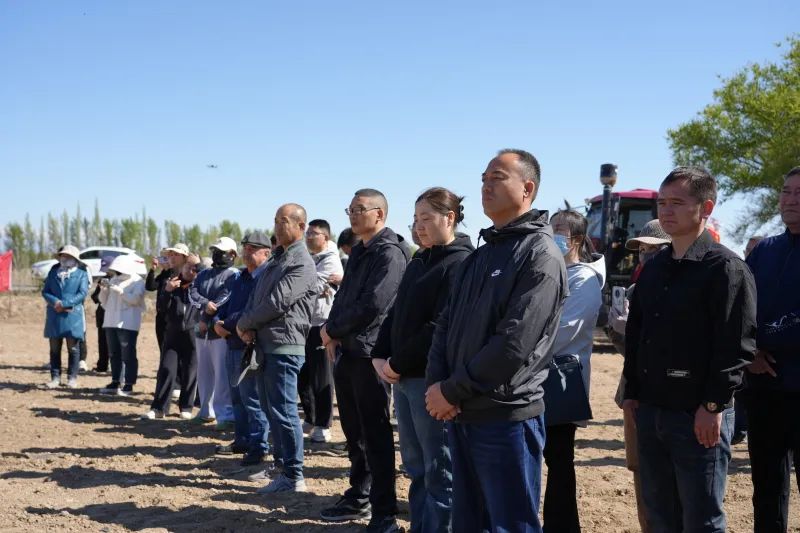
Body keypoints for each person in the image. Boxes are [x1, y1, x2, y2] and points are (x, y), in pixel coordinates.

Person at [425, 149, 567, 533]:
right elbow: (445, 325)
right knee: (469, 522)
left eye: (498, 178)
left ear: (528, 188)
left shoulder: (540, 255)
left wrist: (451, 391)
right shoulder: (481, 255)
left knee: (510, 524)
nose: (486, 186)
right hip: (462, 411)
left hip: (505, 417)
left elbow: (513, 344)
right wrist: (438, 386)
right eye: (484, 179)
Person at [622, 166, 757, 533]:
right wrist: (632, 392)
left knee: (701, 519)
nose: (666, 211)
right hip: (651, 410)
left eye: (677, 203)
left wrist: (713, 406)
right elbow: (637, 334)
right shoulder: (654, 268)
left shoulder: (725, 268)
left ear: (706, 207)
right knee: (659, 516)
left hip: (697, 416)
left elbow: (735, 346)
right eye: (662, 203)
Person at [373, 187, 474, 533]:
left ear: (450, 218)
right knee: (416, 467)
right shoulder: (419, 260)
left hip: (430, 380)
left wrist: (396, 363)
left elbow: (438, 326)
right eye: (415, 219)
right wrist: (379, 354)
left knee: (439, 470)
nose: (419, 226)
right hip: (403, 379)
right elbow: (396, 311)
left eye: (426, 218)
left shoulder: (460, 262)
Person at [319, 188, 409, 532]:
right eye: (350, 210)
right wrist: (330, 331)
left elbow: (374, 304)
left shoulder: (391, 253)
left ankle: (383, 509)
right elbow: (344, 297)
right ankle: (359, 494)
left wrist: (332, 329)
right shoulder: (360, 250)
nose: (353, 216)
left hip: (371, 354)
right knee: (353, 432)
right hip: (348, 350)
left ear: (379, 214)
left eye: (360, 209)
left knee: (375, 433)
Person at [237, 204, 318, 494]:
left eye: (284, 221)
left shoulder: (301, 262)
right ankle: (282, 466)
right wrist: (247, 325)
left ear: (301, 226)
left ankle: (294, 475)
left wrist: (244, 323)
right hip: (266, 343)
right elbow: (258, 297)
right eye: (275, 221)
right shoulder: (278, 258)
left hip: (285, 345)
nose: (277, 227)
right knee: (271, 409)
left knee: (284, 411)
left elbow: (278, 302)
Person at [744, 166, 800, 532]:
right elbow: (738, 310)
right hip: (765, 389)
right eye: (786, 192)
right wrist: (749, 353)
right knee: (767, 487)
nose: (790, 200)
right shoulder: (764, 251)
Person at [542, 209, 605, 533]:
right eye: (551, 228)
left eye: (560, 229)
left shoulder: (585, 279)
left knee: (559, 462)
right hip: (536, 377)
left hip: (560, 382)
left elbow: (564, 331)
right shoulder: (550, 271)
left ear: (577, 239)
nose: (553, 234)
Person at [609, 218, 671, 533]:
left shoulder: (688, 287)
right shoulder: (634, 290)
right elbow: (626, 352)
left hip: (673, 398)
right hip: (635, 395)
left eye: (653, 249)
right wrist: (618, 329)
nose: (646, 256)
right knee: (642, 475)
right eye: (642, 250)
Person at [212, 232, 272, 465]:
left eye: (252, 249)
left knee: (253, 399)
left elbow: (252, 310)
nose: (247, 252)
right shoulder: (240, 277)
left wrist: (225, 325)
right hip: (233, 342)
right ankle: (242, 440)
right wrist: (217, 321)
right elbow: (225, 304)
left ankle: (259, 446)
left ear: (266, 253)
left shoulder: (266, 277)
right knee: (237, 398)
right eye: (245, 248)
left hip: (251, 344)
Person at [300, 219, 344, 443]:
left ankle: (323, 423)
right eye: (307, 233)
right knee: (304, 376)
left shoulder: (331, 260)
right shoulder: (310, 258)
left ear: (325, 237)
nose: (308, 237)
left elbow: (312, 286)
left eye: (313, 234)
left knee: (321, 376)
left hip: (322, 324)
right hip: (305, 324)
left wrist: (300, 281)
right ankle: (311, 417)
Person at [143, 254, 202, 420]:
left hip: (193, 334)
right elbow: (161, 308)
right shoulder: (171, 283)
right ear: (183, 266)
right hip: (173, 334)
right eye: (188, 266)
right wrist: (167, 291)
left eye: (195, 268)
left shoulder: (201, 286)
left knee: (190, 371)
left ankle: (186, 407)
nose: (191, 270)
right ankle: (159, 408)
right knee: (167, 369)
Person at [189, 237, 239, 428]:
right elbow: (193, 293)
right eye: (215, 251)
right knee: (204, 375)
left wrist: (206, 317)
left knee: (222, 376)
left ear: (232, 254)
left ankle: (225, 415)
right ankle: (206, 411)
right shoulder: (204, 274)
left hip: (220, 332)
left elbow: (225, 297)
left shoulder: (234, 274)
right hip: (202, 333)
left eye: (221, 251)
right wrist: (204, 305)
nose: (217, 254)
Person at [731, 234, 765, 446]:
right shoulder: (737, 274)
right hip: (745, 352)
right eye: (748, 251)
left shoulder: (769, 277)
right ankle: (739, 429)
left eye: (755, 250)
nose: (751, 254)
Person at [42, 244, 91, 389]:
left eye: (68, 256)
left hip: (72, 315)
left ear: (75, 259)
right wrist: (55, 302)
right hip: (54, 314)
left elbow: (82, 293)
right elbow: (45, 291)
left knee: (73, 348)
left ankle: (72, 378)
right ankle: (55, 378)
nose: (64, 258)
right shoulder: (53, 273)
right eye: (62, 256)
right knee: (54, 349)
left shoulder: (81, 274)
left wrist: (65, 303)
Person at [97, 255, 146, 396]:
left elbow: (136, 300)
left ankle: (129, 384)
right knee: (113, 353)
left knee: (128, 354)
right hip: (111, 321)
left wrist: (121, 292)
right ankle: (115, 381)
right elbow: (103, 302)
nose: (117, 273)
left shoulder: (137, 281)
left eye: (119, 270)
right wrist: (103, 290)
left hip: (127, 322)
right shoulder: (113, 279)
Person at [147, 244, 189, 350]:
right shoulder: (166, 273)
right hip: (162, 318)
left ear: (185, 258)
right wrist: (152, 270)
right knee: (164, 351)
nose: (172, 257)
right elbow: (150, 286)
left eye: (176, 255)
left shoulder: (189, 275)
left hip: (179, 320)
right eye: (170, 255)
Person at [89, 256, 112, 373]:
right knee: (103, 341)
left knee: (111, 342)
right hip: (103, 315)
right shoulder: (103, 280)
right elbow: (95, 298)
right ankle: (103, 365)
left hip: (112, 315)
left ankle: (112, 365)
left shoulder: (118, 280)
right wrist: (100, 290)